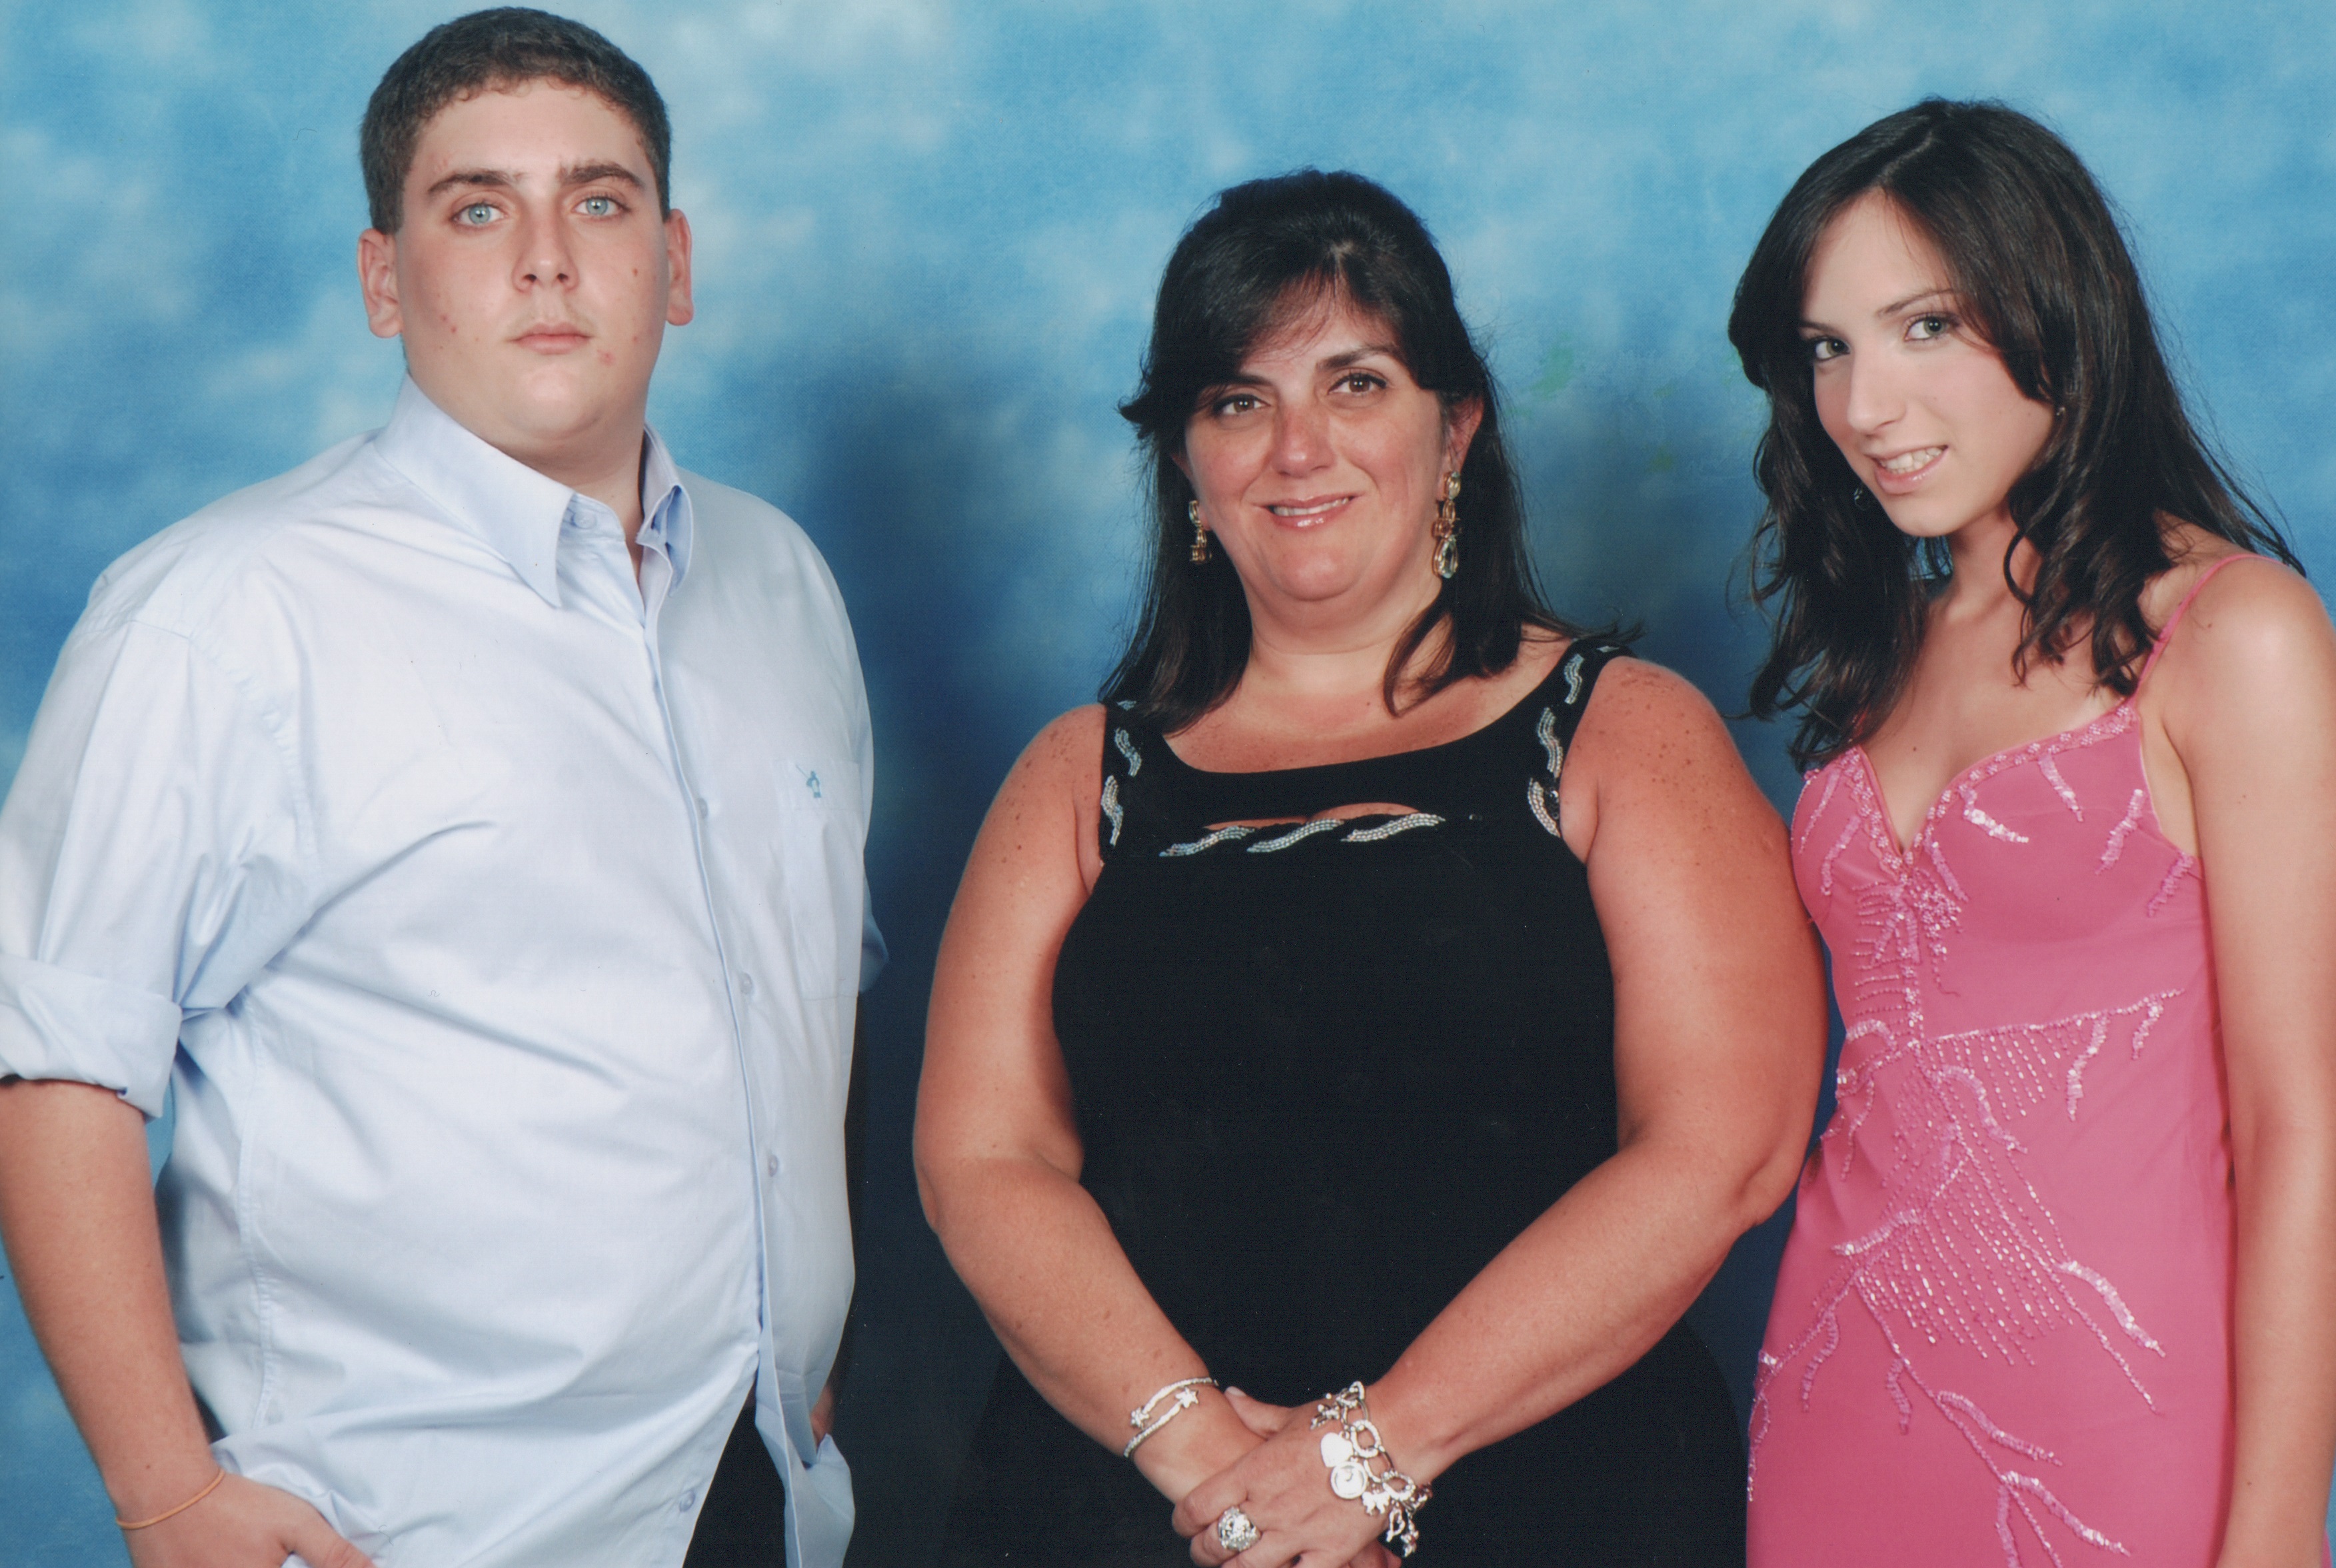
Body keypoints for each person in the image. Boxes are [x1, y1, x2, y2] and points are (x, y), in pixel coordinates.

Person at [0, 10, 880, 1567]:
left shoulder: (780, 582)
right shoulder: (219, 616)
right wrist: (166, 1493)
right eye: (477, 208)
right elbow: (57, 1073)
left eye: (597, 203)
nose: (546, 258)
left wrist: (795, 1361)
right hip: (400, 1528)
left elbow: (803, 1003)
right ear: (384, 280)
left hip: (756, 1495)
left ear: (672, 262)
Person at [914, 169, 1825, 1567]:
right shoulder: (1071, 777)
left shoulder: (1625, 733)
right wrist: (1216, 1464)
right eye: (1238, 400)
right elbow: (984, 1158)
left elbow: (1723, 1148)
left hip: (1551, 1500)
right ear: (1185, 463)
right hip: (1134, 1506)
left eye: (1356, 384)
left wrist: (1371, 1451)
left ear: (1452, 429)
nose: (1297, 449)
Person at [1729, 99, 2336, 1566]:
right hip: (1834, 1381)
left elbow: (2300, 1120)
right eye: (1827, 348)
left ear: (2055, 312)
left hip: (2125, 1418)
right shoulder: (1883, 645)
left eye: (1923, 325)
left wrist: (2271, 1525)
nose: (1866, 402)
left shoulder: (2227, 632)